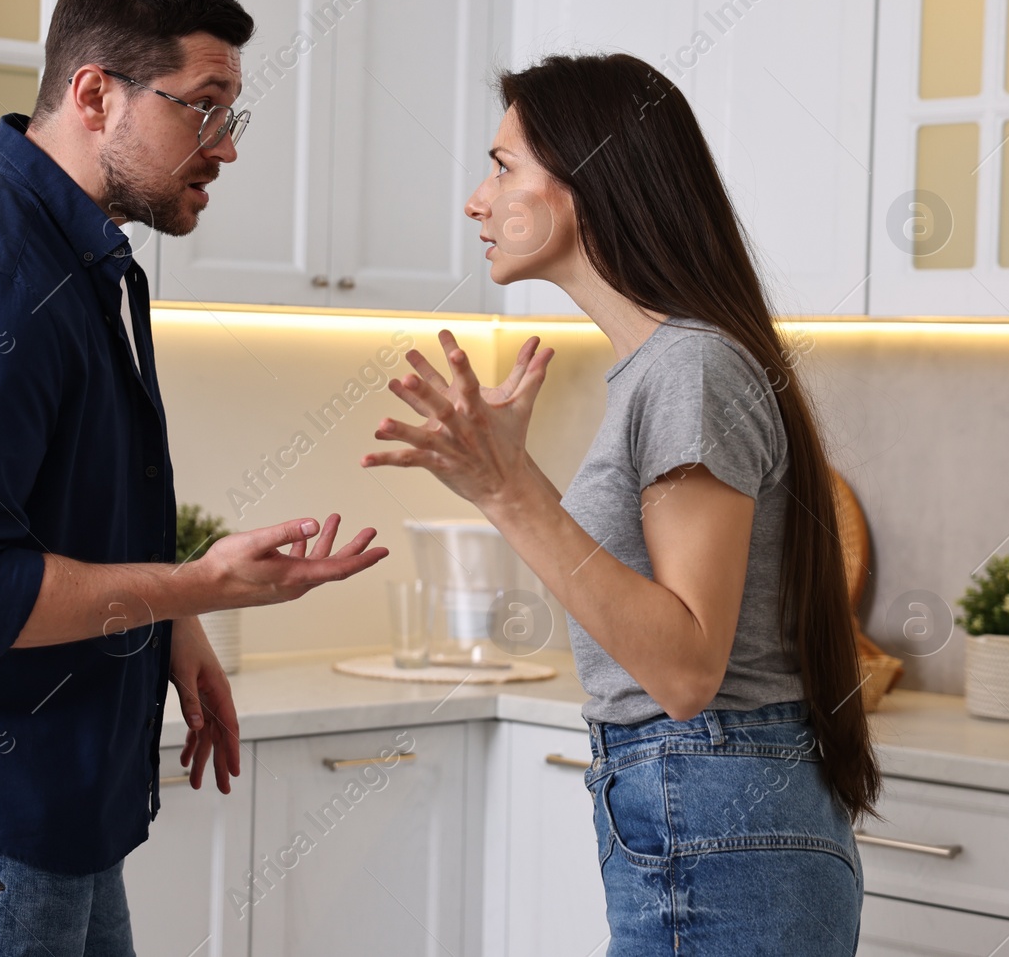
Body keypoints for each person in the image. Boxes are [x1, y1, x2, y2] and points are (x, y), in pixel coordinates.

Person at [0, 0, 387, 956]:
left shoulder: (76, 258)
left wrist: (175, 629)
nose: (225, 146)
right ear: (93, 94)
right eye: (202, 107)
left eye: (230, 112)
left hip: (44, 799)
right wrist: (190, 587)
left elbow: (60, 510)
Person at [363, 52, 879, 955]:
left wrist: (510, 490)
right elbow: (654, 618)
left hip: (715, 799)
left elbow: (683, 670)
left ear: (586, 179)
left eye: (502, 165)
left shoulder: (690, 367)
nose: (478, 200)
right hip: (710, 803)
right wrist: (506, 489)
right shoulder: (667, 366)